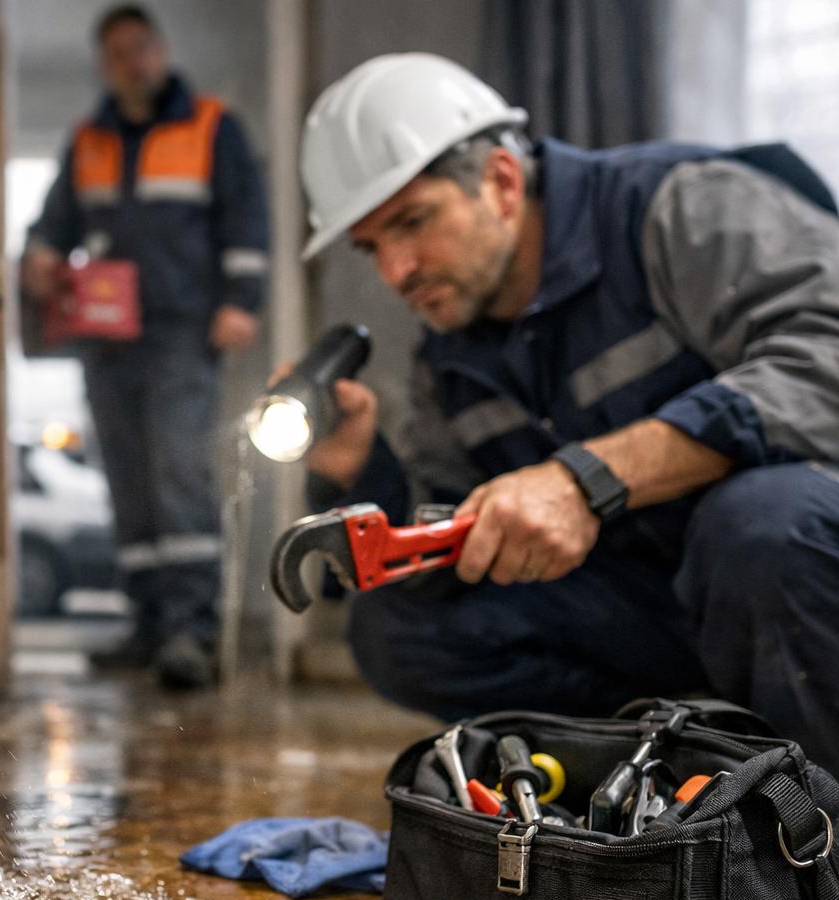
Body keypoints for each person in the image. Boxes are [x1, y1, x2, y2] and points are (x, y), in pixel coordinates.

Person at [294, 52, 839, 766]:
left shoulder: (676, 205)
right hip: (666, 609)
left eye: (413, 222)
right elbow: (454, 543)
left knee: (759, 526)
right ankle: (654, 793)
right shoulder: (451, 358)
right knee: (399, 626)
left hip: (793, 567)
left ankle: (819, 834)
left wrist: (588, 478)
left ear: (501, 180)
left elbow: (824, 351)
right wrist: (365, 472)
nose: (396, 271)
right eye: (372, 247)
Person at [24, 4, 269, 688]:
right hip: (107, 342)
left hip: (182, 330)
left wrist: (240, 302)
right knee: (129, 482)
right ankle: (148, 627)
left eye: (141, 48)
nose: (132, 62)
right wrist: (41, 255)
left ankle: (191, 633)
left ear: (159, 50)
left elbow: (246, 219)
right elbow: (54, 221)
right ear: (106, 65)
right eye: (118, 53)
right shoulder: (89, 141)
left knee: (180, 474)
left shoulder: (210, 126)